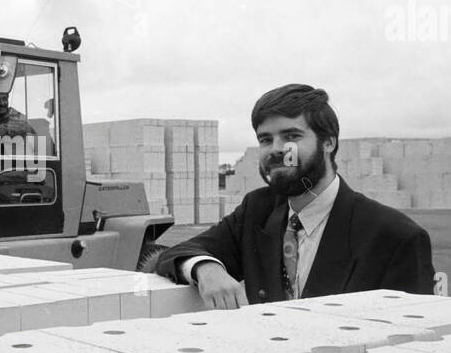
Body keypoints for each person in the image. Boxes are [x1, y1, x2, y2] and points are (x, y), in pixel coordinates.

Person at [155, 84, 436, 308]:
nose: (277, 150)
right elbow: (175, 254)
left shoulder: (394, 236)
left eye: (291, 136)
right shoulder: (257, 210)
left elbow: (413, 341)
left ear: (329, 142)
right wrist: (206, 269)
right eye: (266, 139)